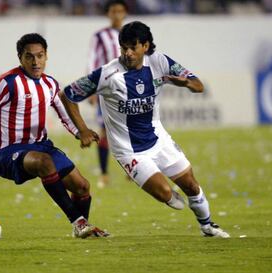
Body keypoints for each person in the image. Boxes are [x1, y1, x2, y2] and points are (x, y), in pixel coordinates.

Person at [60, 21, 230, 238]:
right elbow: (67, 94)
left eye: (133, 47)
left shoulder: (159, 61)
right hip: (129, 151)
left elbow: (198, 85)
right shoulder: (107, 74)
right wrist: (82, 130)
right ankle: (170, 197)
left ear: (146, 46)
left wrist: (184, 83)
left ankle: (208, 227)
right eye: (124, 48)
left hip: (159, 140)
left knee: (191, 185)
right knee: (166, 194)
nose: (128, 53)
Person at [0, 33, 109, 239]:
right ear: (20, 58)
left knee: (82, 187)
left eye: (40, 55)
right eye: (29, 56)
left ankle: (84, 228)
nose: (36, 62)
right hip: (7, 153)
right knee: (44, 162)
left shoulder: (50, 84)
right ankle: (78, 222)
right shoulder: (8, 82)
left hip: (41, 146)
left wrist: (80, 132)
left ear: (46, 56)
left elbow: (64, 115)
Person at [87, 0, 128, 188]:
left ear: (125, 13)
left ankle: (133, 169)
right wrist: (91, 87)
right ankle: (104, 173)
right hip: (107, 88)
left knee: (132, 128)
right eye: (113, 11)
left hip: (130, 87)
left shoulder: (132, 33)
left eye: (120, 11)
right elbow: (93, 61)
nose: (117, 14)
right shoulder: (100, 36)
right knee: (105, 131)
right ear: (108, 14)